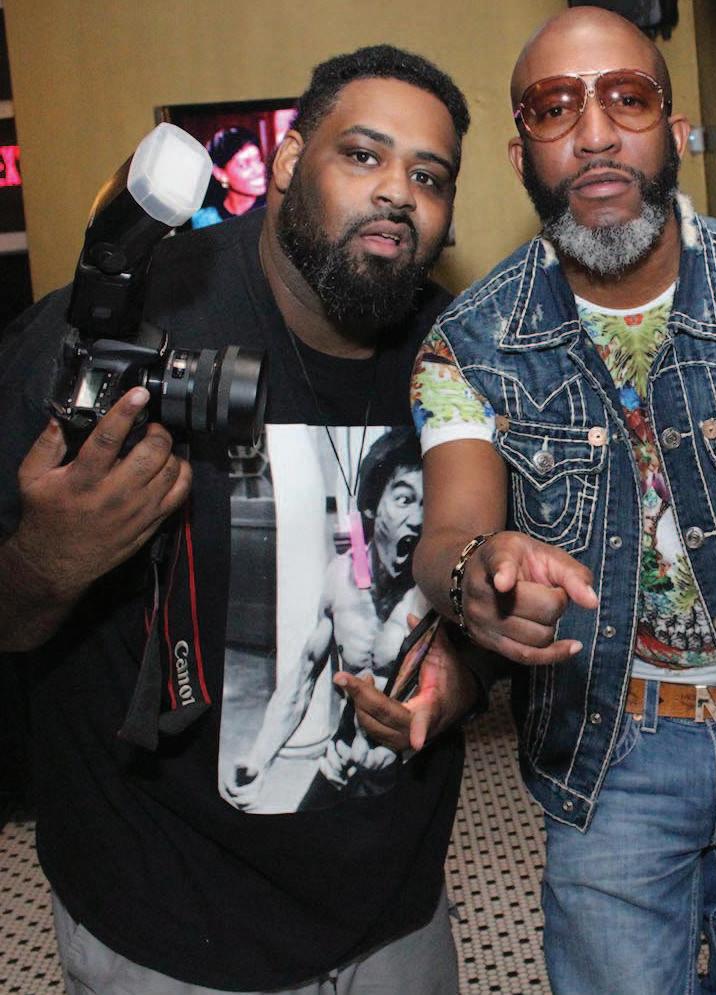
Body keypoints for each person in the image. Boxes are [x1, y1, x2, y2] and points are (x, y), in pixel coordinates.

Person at [410, 8, 716, 992]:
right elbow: (450, 530)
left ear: (673, 130)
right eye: (554, 107)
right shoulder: (470, 343)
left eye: (626, 99)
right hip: (609, 753)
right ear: (520, 153)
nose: (593, 133)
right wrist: (478, 573)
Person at [0, 44, 487, 993]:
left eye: (429, 176)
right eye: (363, 154)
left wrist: (463, 675)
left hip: (394, 912)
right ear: (291, 161)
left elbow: (488, 581)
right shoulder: (116, 329)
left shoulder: (459, 354)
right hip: (164, 925)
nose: (398, 192)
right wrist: (45, 563)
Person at [226, 427, 427, 812]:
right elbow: (302, 679)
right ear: (373, 505)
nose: (417, 520)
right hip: (342, 758)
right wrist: (258, 760)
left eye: (428, 504)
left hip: (407, 760)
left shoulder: (430, 592)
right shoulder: (342, 579)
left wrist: (407, 741)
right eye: (404, 499)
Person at [190, 126, 268, 229]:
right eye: (244, 165)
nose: (259, 169)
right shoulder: (204, 221)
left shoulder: (274, 208)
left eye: (258, 159)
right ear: (220, 174)